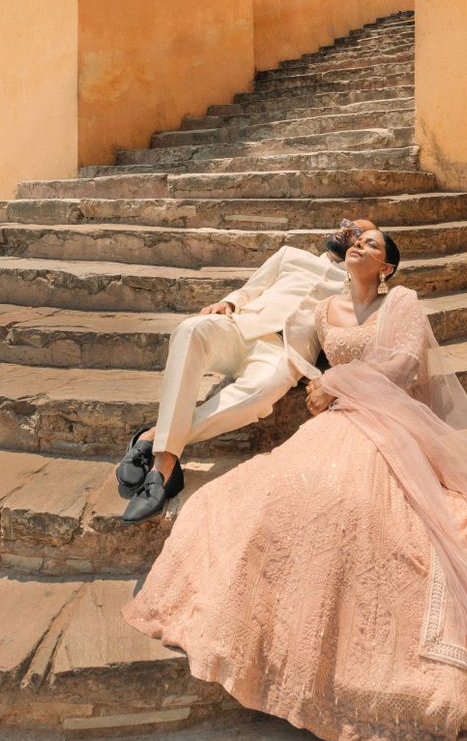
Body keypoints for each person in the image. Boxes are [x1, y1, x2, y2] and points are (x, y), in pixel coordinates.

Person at [122, 227, 467, 741]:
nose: (359, 243)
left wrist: (335, 384)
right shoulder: (324, 307)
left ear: (388, 268)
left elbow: (401, 366)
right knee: (265, 494)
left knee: (359, 507)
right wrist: (254, 323)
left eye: (373, 244)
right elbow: (297, 347)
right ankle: (160, 448)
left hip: (385, 419)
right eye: (356, 238)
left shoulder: (401, 301)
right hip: (334, 413)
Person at [115, 218, 376, 523]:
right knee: (189, 330)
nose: (347, 232)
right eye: (345, 225)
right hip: (240, 328)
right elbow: (252, 288)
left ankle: (156, 447)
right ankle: (164, 464)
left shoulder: (358, 288)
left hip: (285, 353)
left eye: (358, 234)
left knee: (259, 395)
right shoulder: (291, 255)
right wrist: (228, 302)